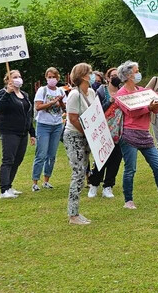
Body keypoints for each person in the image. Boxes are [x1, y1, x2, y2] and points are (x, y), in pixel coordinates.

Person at [116, 60, 158, 209]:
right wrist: (149, 107)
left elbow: (153, 109)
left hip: (144, 134)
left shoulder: (142, 91)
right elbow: (131, 112)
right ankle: (128, 200)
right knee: (131, 168)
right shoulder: (122, 94)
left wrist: (155, 107)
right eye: (136, 71)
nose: (138, 73)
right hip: (129, 134)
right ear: (128, 75)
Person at [62, 63, 97, 224]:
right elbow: (73, 119)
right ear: (83, 76)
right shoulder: (74, 95)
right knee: (78, 172)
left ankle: (75, 213)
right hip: (74, 136)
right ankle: (73, 214)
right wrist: (87, 133)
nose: (92, 74)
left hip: (86, 135)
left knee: (84, 171)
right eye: (90, 72)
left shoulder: (90, 92)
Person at [0, 69, 35, 199]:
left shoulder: (24, 95)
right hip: (9, 132)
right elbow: (0, 107)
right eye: (15, 77)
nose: (18, 78)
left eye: (19, 76)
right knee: (8, 160)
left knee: (18, 160)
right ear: (8, 80)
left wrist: (32, 132)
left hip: (23, 132)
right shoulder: (3, 93)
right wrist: (8, 92)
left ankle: (9, 186)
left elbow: (28, 114)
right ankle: (4, 189)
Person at [87, 67, 123, 198]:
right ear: (107, 78)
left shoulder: (122, 91)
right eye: (113, 75)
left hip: (119, 131)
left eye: (117, 75)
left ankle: (108, 186)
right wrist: (109, 102)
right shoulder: (101, 91)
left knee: (116, 159)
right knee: (101, 160)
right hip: (103, 130)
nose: (115, 77)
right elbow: (96, 110)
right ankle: (94, 185)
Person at [31, 67, 66, 192]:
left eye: (53, 77)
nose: (51, 79)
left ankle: (46, 180)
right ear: (46, 78)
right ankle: (35, 181)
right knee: (41, 154)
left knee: (52, 154)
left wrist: (60, 102)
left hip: (57, 125)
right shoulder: (42, 90)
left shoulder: (61, 90)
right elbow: (38, 106)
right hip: (43, 125)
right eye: (49, 77)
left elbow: (64, 108)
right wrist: (52, 102)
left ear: (58, 78)